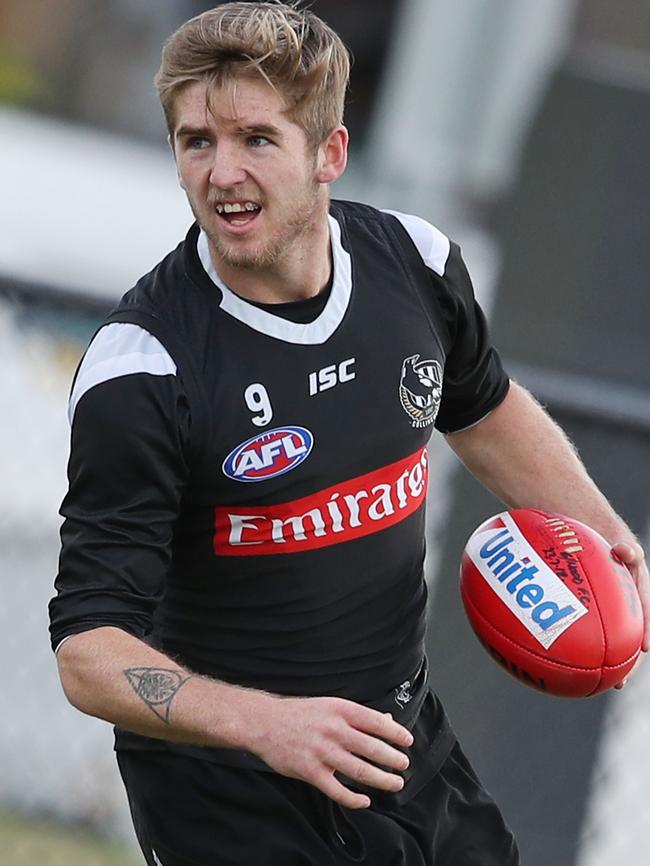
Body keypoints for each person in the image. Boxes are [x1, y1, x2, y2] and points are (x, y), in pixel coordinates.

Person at [49, 3, 649, 865]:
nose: (222, 173)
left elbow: (484, 408)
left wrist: (613, 545)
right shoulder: (146, 368)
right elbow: (89, 654)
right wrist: (272, 725)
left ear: (329, 151)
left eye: (256, 138)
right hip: (227, 798)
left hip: (398, 746)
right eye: (196, 142)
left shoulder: (414, 264)